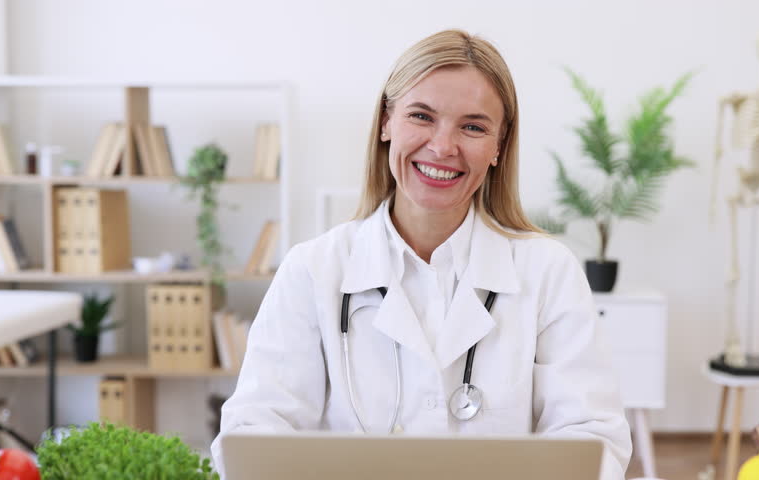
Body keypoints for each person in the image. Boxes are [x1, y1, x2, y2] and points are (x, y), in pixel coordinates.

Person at [211, 29, 632, 479]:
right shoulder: (313, 270)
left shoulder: (548, 272)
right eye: (422, 116)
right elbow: (256, 433)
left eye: (473, 126)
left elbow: (592, 441)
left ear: (498, 147)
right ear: (386, 123)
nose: (443, 146)